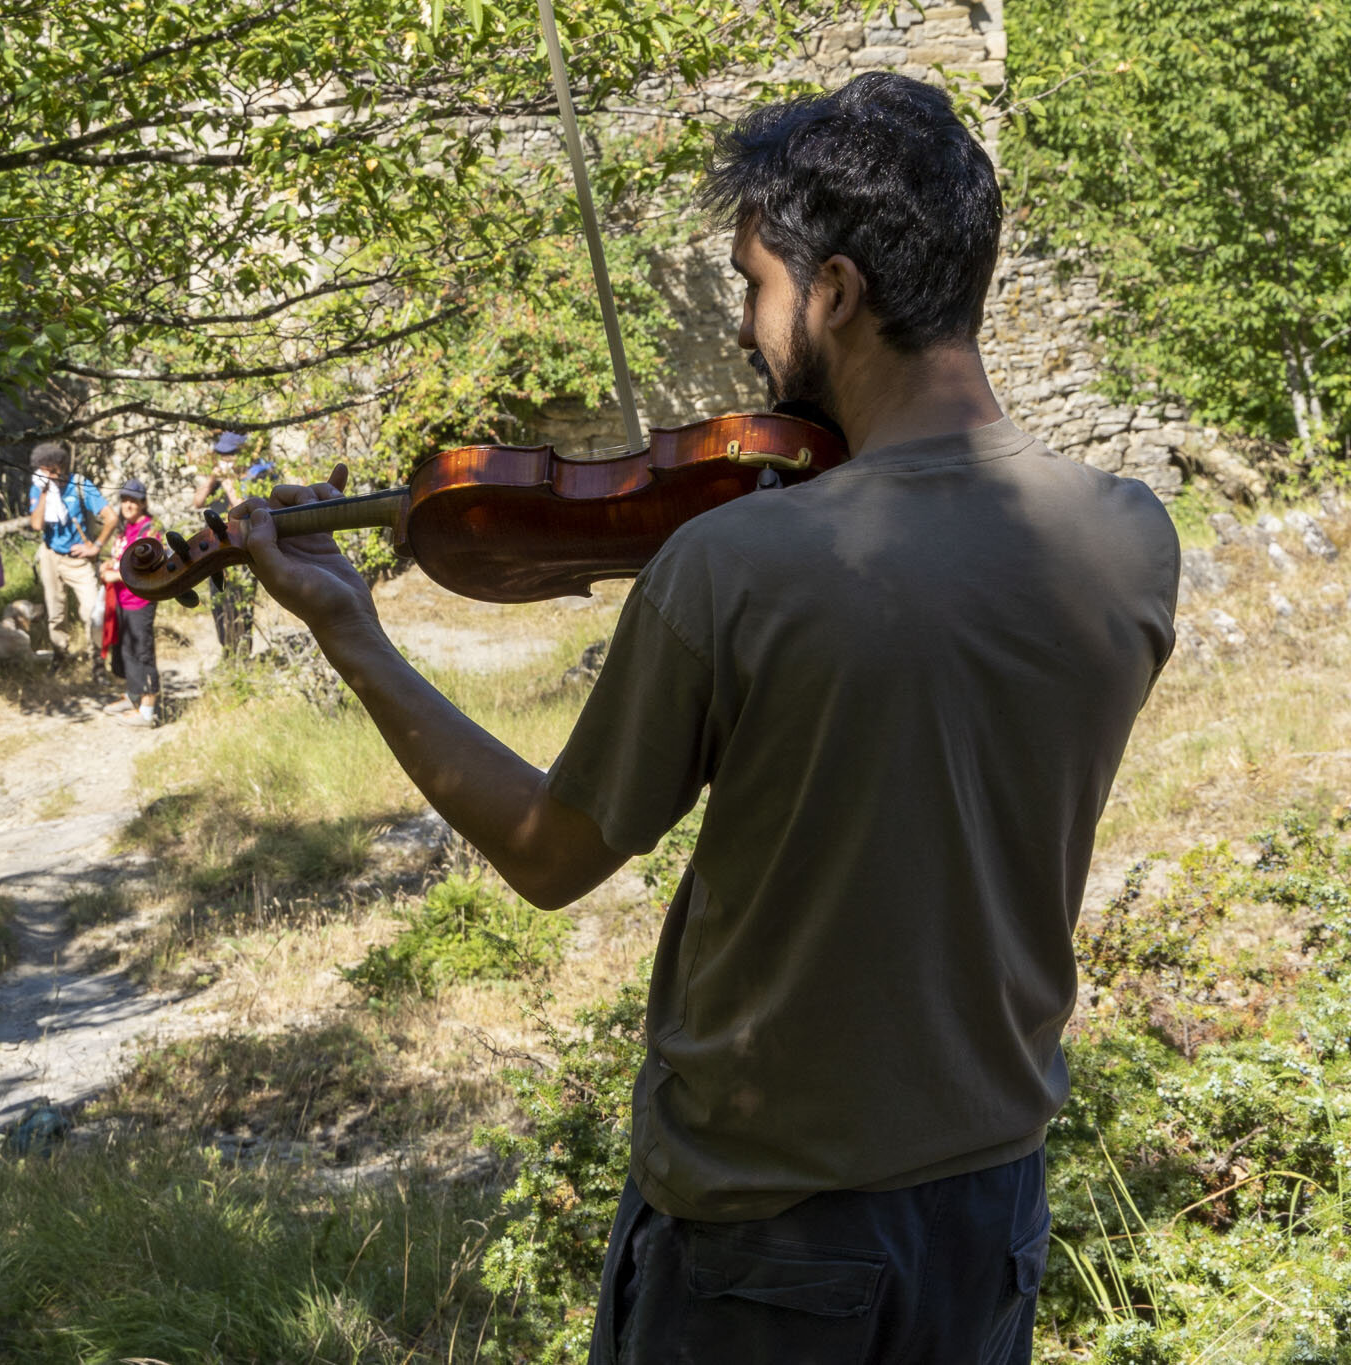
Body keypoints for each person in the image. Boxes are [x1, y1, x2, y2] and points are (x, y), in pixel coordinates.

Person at [228, 73, 1178, 1363]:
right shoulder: (1128, 539)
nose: (742, 328)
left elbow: (550, 857)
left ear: (832, 291)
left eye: (752, 285)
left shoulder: (736, 567)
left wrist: (349, 630)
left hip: (764, 1241)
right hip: (990, 1215)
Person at [27, 441, 116, 674]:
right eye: (42, 469)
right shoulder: (39, 487)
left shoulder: (79, 485)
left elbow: (111, 517)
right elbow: (36, 524)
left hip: (78, 560)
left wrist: (96, 546)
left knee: (92, 611)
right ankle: (60, 655)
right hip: (51, 555)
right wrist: (45, 492)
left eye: (50, 469)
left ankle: (97, 661)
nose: (46, 474)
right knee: (55, 613)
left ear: (60, 467)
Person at [191, 431, 270, 659]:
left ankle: (242, 653)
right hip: (215, 551)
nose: (226, 459)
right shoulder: (217, 480)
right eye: (222, 454)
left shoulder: (258, 476)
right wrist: (211, 480)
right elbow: (197, 501)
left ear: (243, 454)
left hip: (240, 551)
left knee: (241, 601)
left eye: (231, 454)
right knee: (218, 601)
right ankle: (226, 651)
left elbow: (245, 510)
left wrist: (229, 483)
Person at [99, 478, 163, 727]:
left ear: (143, 503)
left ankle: (147, 710)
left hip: (140, 600)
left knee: (142, 653)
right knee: (126, 650)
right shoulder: (126, 528)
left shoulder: (150, 530)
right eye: (124, 499)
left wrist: (115, 575)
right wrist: (110, 564)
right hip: (122, 600)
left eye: (133, 500)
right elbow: (123, 559)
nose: (128, 505)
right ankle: (133, 695)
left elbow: (148, 568)